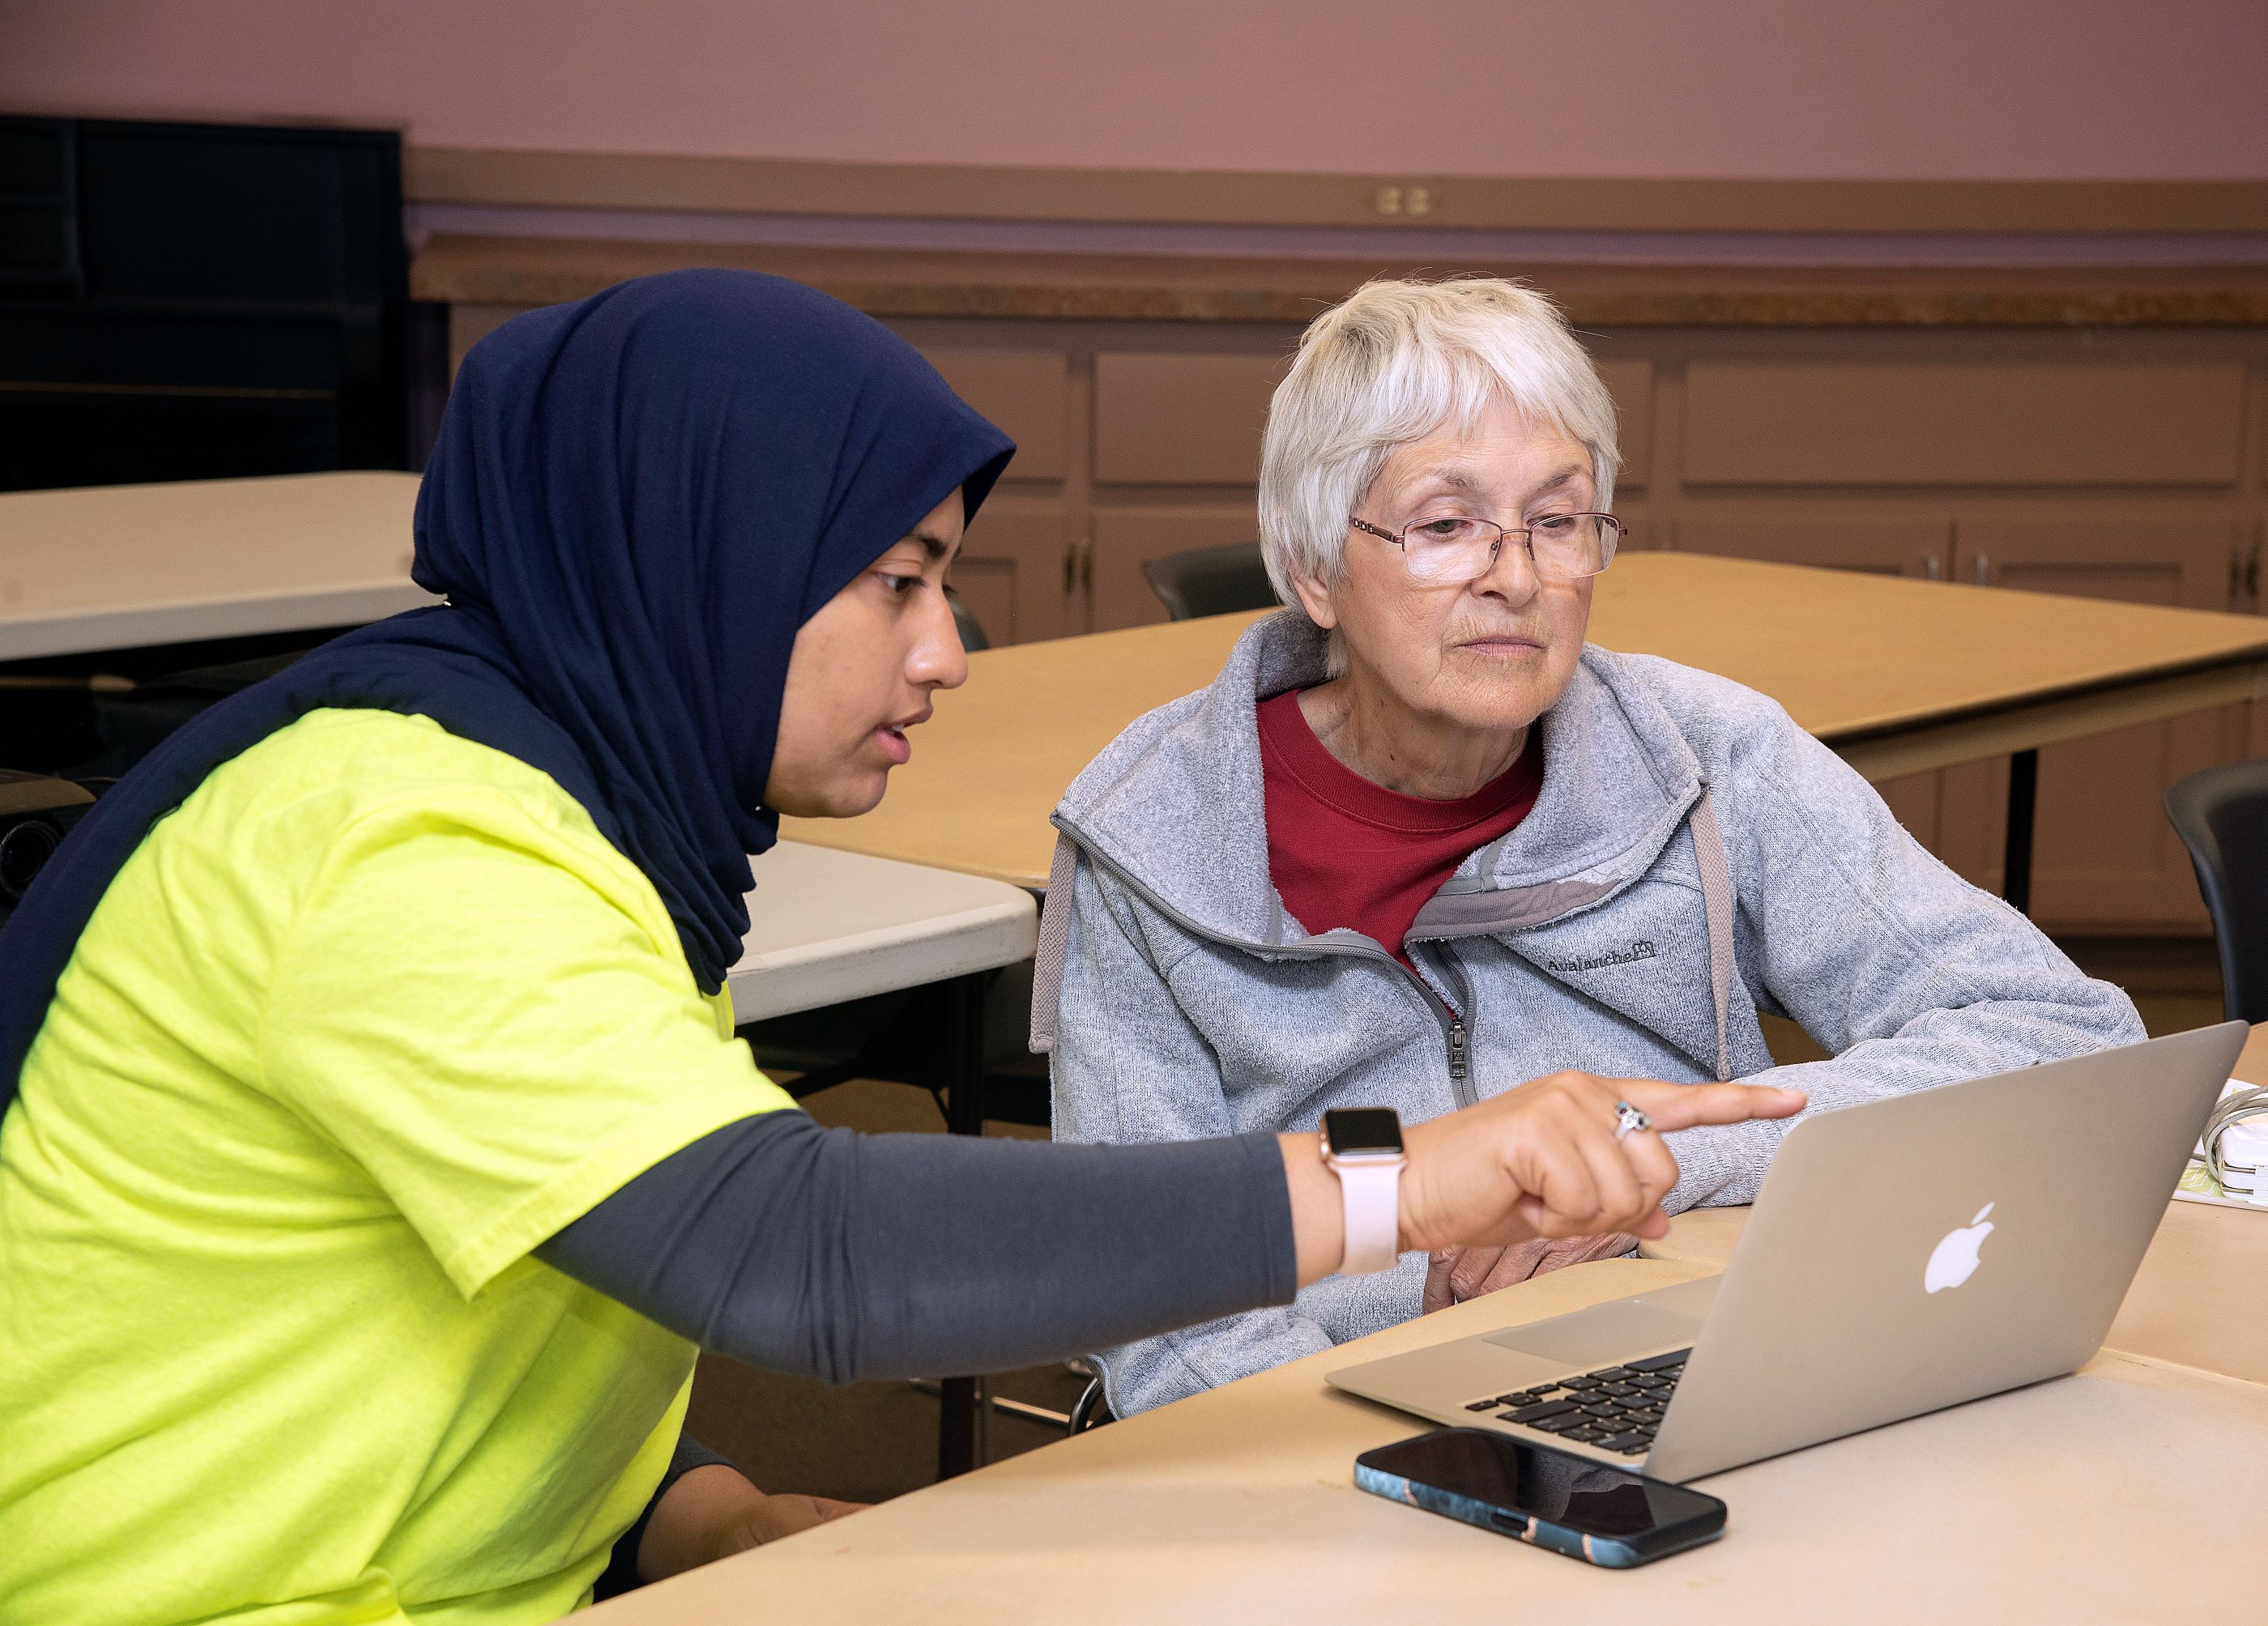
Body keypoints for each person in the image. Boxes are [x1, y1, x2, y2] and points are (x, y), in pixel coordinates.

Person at [0, 271, 1805, 1626]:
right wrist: (1399, 1181)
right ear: (699, 563)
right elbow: (791, 1245)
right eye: (896, 581)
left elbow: (521, 1283)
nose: (944, 650)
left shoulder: (584, 819)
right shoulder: (397, 840)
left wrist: (681, 1512)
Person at [1041, 277, 2145, 1418]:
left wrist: (1642, 1166)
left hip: (1685, 1362)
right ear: (1314, 565)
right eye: (1445, 525)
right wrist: (1393, 1408)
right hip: (1315, 1430)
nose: (1517, 579)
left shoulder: (1706, 755)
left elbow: (2065, 1035)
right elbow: (1155, 1300)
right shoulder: (1149, 843)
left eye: (1558, 521)